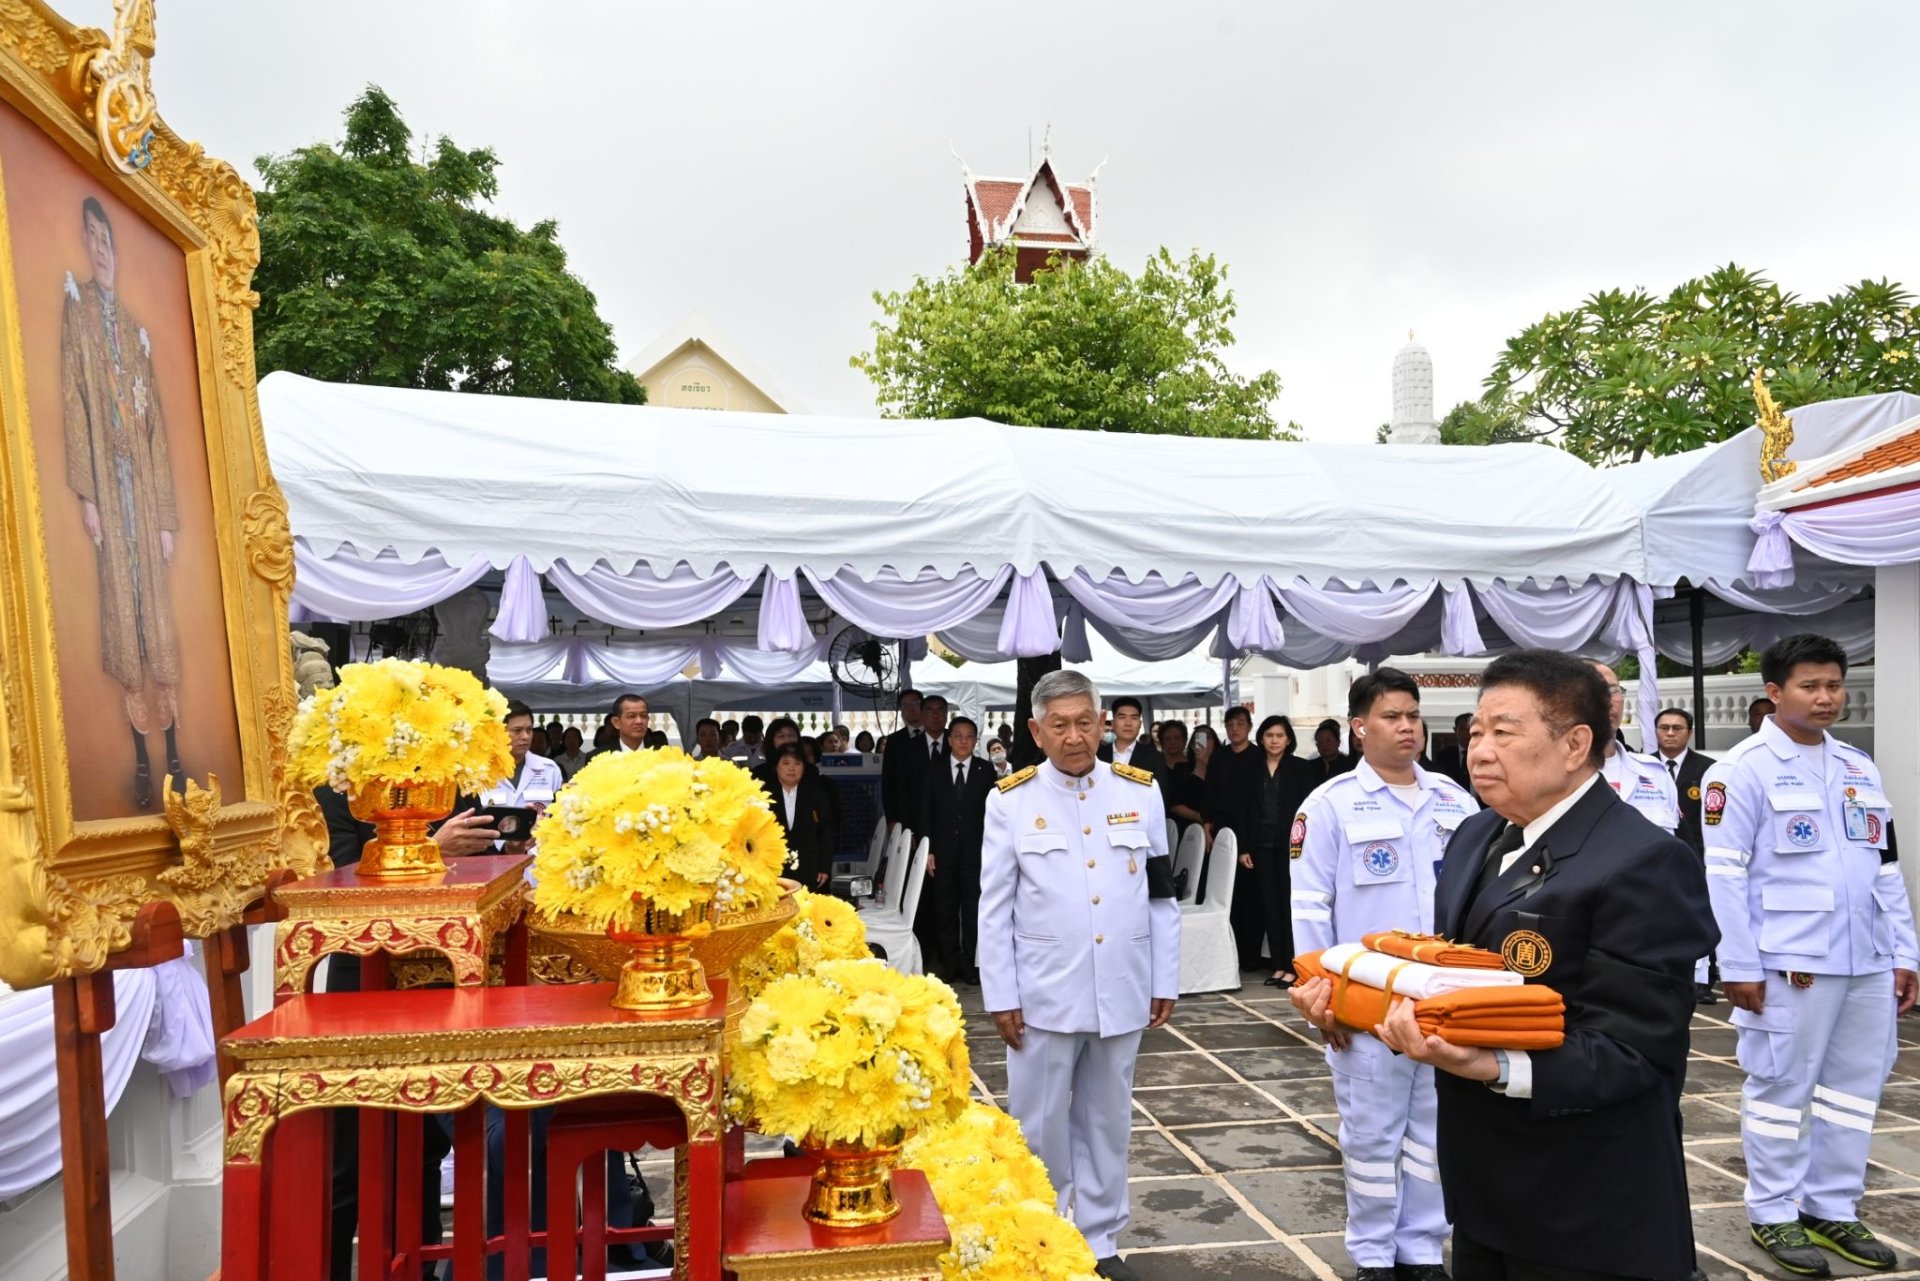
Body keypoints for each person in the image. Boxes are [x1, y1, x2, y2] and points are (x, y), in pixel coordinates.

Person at [1343, 648, 1714, 1281]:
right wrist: (1354, 999)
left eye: (1503, 734)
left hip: (1586, 1200)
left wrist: (1490, 1064)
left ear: (1575, 745)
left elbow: (1636, 1049)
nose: (1479, 750)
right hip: (1485, 1183)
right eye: (1475, 732)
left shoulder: (1643, 860)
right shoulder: (1474, 836)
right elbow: (1457, 979)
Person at [1703, 634, 1918, 1277]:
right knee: (1780, 1090)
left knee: (1854, 1091)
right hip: (1790, 963)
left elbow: (1884, 867)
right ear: (1774, 692)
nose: (1826, 698)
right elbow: (1723, 875)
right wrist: (1738, 966)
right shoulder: (1739, 771)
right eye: (1810, 686)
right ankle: (1773, 1214)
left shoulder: (1858, 766)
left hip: (1867, 961)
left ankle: (1831, 1207)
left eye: (1834, 684)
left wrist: (1906, 950)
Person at [979, 669, 1179, 1281]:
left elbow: (1160, 895)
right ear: (1036, 732)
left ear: (1104, 723)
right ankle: (1040, 1235)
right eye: (1059, 725)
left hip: (1121, 987)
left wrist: (1162, 978)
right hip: (1042, 992)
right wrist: (1001, 994)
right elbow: (995, 905)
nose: (1074, 737)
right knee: (1039, 1124)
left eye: (1084, 722)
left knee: (1108, 1119)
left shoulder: (1139, 792)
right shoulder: (1010, 799)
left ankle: (1099, 1239)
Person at [1290, 667, 1476, 1281]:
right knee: (1371, 1135)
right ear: (1359, 726)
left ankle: (1422, 1248)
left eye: (1413, 716)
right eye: (1392, 716)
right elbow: (1311, 906)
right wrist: (1322, 997)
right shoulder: (1331, 805)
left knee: (1433, 1131)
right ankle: (1373, 1254)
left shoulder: (1455, 800)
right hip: (1366, 1004)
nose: (1406, 727)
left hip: (1444, 1000)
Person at [63, 196, 185, 810]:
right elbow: (75, 401)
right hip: (111, 490)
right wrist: (88, 494)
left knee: (159, 619)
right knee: (124, 615)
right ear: (85, 245)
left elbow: (157, 423)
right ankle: (142, 760)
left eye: (107, 236)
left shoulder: (134, 330)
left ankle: (178, 755)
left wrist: (164, 518)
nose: (102, 247)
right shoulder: (77, 310)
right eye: (92, 237)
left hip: (144, 485)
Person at [918, 715, 996, 982]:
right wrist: (927, 849)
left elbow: (993, 814)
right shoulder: (933, 769)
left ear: (976, 741)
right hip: (942, 853)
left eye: (969, 736)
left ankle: (972, 965)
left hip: (976, 852)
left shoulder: (986, 771)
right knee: (945, 910)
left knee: (974, 910)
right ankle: (950, 966)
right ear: (949, 740)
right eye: (958, 736)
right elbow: (925, 810)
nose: (964, 741)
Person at [1654, 706, 1719, 1003]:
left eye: (1676, 728)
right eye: (1664, 727)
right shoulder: (1642, 767)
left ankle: (1704, 980)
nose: (1669, 733)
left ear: (1689, 733)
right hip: (1655, 857)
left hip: (1697, 855)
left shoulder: (1708, 768)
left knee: (1701, 916)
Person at [1247, 715, 1317, 986]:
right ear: (1261, 738)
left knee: (1290, 906)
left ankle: (1294, 965)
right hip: (1262, 846)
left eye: (1280, 735)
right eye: (1269, 735)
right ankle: (1278, 964)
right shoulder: (1253, 769)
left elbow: (1308, 812)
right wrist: (1245, 847)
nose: (1274, 740)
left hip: (1292, 849)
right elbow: (1248, 811)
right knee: (1270, 906)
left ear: (1289, 739)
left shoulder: (1301, 768)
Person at [1591, 661, 1680, 833]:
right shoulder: (1552, 776)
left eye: (1613, 691)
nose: (1607, 702)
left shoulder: (1655, 774)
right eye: (1594, 692)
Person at [480, 700, 564, 852]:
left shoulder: (549, 769)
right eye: (517, 731)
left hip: (539, 863)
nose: (525, 736)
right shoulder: (480, 772)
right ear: (499, 733)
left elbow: (559, 818)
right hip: (493, 861)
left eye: (529, 730)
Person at [1206, 706, 1260, 915]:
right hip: (1222, 827)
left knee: (1251, 893)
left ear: (1249, 727)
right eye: (1230, 725)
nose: (1235, 729)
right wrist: (1206, 825)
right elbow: (1210, 792)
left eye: (1240, 724)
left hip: (1251, 829)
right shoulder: (1219, 757)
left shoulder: (1258, 756)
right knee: (1226, 889)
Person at [762, 744, 836, 892]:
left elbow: (826, 829)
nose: (791, 768)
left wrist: (824, 867)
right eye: (786, 763)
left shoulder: (815, 790)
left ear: (804, 767)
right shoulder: (763, 793)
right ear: (776, 766)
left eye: (797, 763)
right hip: (772, 866)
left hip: (809, 865)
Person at [879, 689, 927, 829]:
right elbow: (888, 782)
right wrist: (891, 818)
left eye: (915, 703)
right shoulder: (894, 741)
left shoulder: (937, 736)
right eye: (905, 705)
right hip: (905, 814)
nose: (910, 708)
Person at [1097, 696, 1167, 785]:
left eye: (1134, 718)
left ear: (1140, 724)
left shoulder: (1155, 757)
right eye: (1122, 717)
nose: (1128, 723)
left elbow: (1160, 793)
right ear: (1113, 723)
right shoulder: (1098, 755)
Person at [1168, 724, 1214, 846]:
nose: (1202, 741)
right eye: (1198, 737)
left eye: (1208, 737)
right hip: (1188, 831)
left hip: (1215, 828)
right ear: (1192, 744)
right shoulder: (1181, 769)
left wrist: (1207, 764)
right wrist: (1199, 816)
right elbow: (1174, 803)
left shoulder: (1221, 770)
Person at [589, 693, 651, 759]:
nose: (639, 721)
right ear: (616, 722)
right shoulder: (598, 757)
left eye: (643, 716)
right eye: (631, 716)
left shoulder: (661, 754)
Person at [1438, 712, 1475, 792]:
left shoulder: (1486, 754)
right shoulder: (1444, 756)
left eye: (1470, 728)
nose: (1467, 733)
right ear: (1455, 730)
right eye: (1462, 728)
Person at [1310, 719, 1355, 783]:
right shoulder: (1311, 766)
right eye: (1320, 741)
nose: (1324, 744)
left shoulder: (1350, 765)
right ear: (1317, 745)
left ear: (1338, 742)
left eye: (1328, 740)